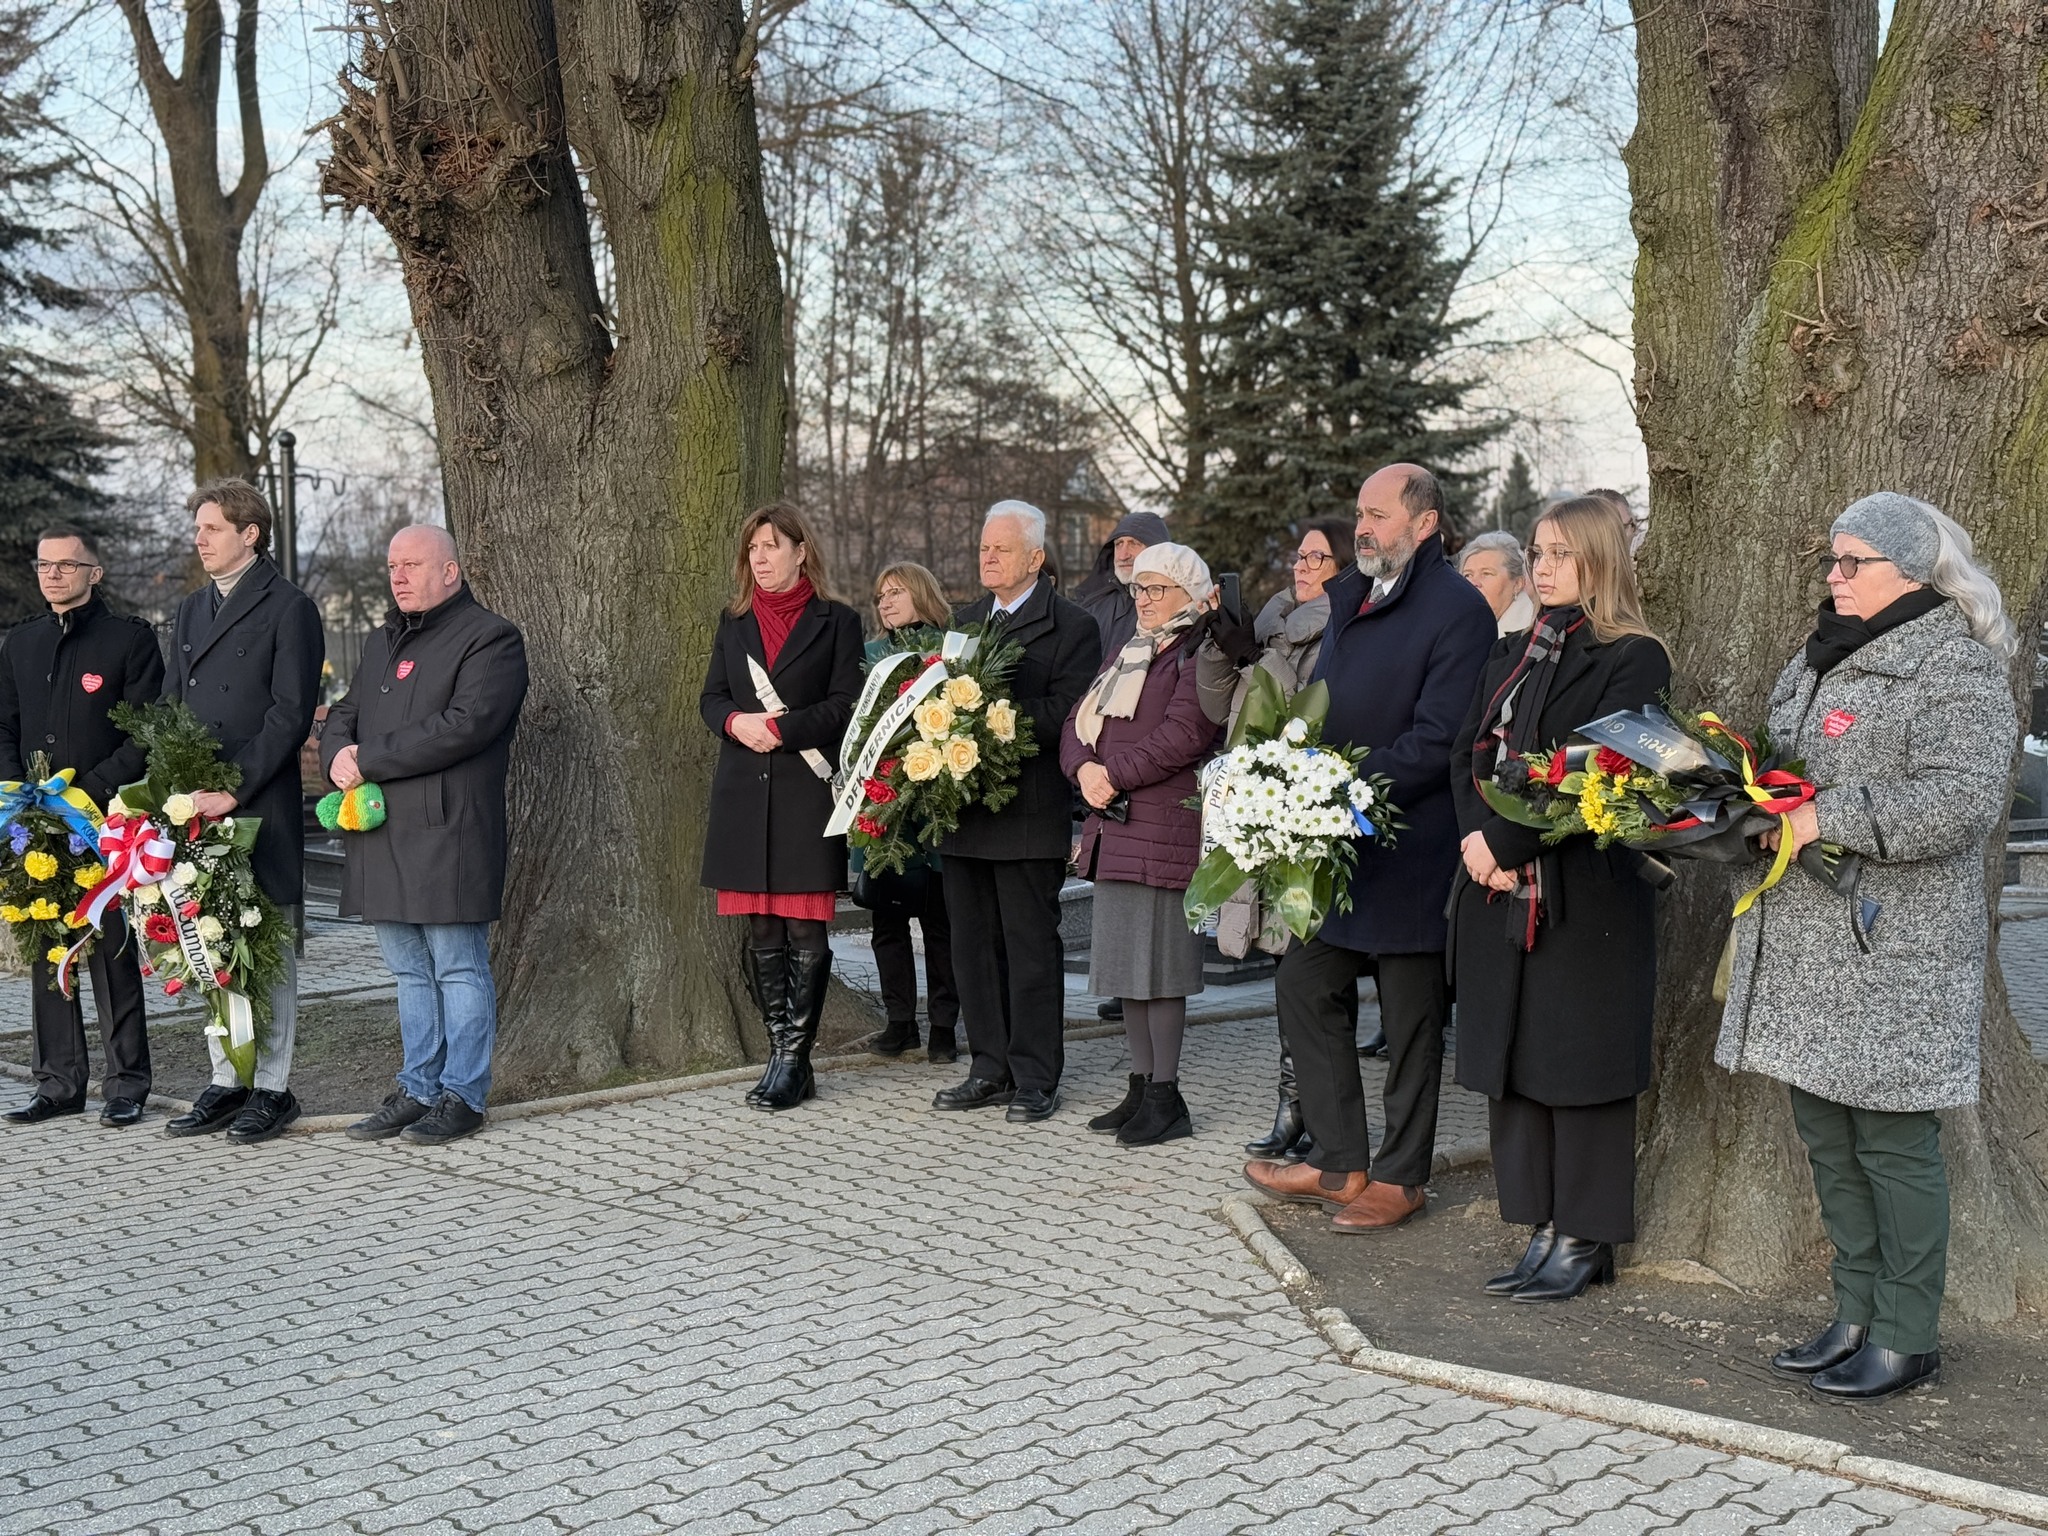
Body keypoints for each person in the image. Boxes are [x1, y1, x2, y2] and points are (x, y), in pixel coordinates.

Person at [1718, 492, 2017, 1402]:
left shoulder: (1955, 666)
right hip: (1808, 939)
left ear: (1913, 573)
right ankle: (1854, 1314)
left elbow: (1961, 800)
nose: (1834, 576)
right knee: (1827, 1135)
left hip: (1895, 951)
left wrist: (1823, 816)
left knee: (1893, 1144)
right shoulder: (1818, 655)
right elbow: (1782, 767)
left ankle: (1906, 1333)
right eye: (1833, 560)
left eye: (1854, 562)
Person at [1242, 464, 1494, 1231]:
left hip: (1415, 846)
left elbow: (1439, 738)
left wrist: (1339, 787)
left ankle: (1401, 1176)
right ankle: (1340, 1162)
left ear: (1425, 523)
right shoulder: (1353, 595)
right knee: (1303, 983)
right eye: (1360, 513)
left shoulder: (1457, 609)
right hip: (1342, 848)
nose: (1363, 527)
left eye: (1378, 515)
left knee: (1412, 1022)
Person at [1450, 498, 1670, 1300]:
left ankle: (1586, 1233)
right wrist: (1479, 845)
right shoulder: (1516, 650)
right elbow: (1469, 753)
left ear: (1599, 560)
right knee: (1517, 1061)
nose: (1541, 568)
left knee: (1579, 1066)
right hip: (1498, 888)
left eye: (1559, 554)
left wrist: (1505, 845)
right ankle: (1540, 1220)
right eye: (1537, 553)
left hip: (1584, 895)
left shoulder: (1633, 657)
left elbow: (1596, 766)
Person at [322, 526, 530, 1146]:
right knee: (409, 972)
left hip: (449, 830)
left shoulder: (491, 637)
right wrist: (337, 755)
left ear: (450, 572)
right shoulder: (382, 638)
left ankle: (463, 1096)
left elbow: (465, 725)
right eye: (393, 566)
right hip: (381, 827)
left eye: (412, 564)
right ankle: (417, 1089)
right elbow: (345, 711)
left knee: (458, 968)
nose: (399, 576)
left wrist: (368, 758)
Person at [160, 480, 324, 1145]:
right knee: (209, 943)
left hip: (258, 802)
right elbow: (172, 704)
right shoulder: (191, 609)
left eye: (212, 528)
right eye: (198, 528)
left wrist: (234, 788)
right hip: (195, 806)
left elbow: (290, 714)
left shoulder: (290, 607)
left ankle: (273, 1088)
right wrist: (167, 786)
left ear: (249, 533)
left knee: (268, 944)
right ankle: (228, 1078)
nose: (199, 540)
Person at [1194, 516, 1358, 1160]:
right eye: (1299, 556)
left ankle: (1313, 1110)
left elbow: (1307, 710)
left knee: (1308, 970)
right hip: (1258, 810)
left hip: (1308, 819)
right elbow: (1219, 709)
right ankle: (1295, 1105)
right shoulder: (1269, 625)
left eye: (1318, 558)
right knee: (1284, 968)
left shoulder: (1344, 628)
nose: (1301, 566)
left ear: (1343, 569)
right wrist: (1220, 645)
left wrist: (1253, 658)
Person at [933, 500, 1099, 1122]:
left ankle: (1035, 1075)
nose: (988, 557)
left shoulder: (1073, 626)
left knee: (1029, 948)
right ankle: (988, 1067)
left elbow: (1070, 712)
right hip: (966, 813)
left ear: (1035, 558)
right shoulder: (963, 622)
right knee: (971, 947)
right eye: (984, 547)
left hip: (1028, 812)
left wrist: (989, 720)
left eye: (1001, 549)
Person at [699, 504, 862, 1112]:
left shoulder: (838, 621)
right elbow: (712, 697)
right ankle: (779, 1055)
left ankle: (796, 1059)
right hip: (744, 792)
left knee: (804, 926)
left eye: (771, 545)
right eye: (753, 548)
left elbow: (845, 703)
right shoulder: (734, 620)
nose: (759, 557)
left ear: (800, 551)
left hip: (805, 793)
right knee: (762, 928)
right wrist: (736, 722)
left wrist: (781, 730)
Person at [0, 527, 164, 1129]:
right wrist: (17, 790)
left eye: (67, 565)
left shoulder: (130, 640)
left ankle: (126, 1083)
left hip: (103, 823)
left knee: (112, 953)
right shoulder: (21, 642)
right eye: (44, 564)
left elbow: (143, 733)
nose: (53, 574)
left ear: (95, 572)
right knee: (48, 949)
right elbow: (3, 725)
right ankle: (59, 1082)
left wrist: (87, 790)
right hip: (34, 822)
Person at [1060, 543, 1219, 1146]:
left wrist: (1110, 775)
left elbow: (1186, 734)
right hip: (1115, 827)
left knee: (1162, 970)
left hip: (1163, 830)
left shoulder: (1198, 651)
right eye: (1139, 589)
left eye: (1157, 589)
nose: (1144, 599)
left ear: (1189, 593)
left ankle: (1167, 1097)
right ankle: (1140, 1084)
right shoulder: (1129, 650)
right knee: (1128, 970)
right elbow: (1077, 722)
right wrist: (1083, 770)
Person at [861, 561, 961, 1063]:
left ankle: (944, 1026)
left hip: (936, 804)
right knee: (887, 922)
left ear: (922, 594)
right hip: (886, 804)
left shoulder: (953, 651)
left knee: (942, 926)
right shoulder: (870, 656)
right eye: (881, 595)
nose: (886, 602)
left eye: (896, 591)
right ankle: (899, 1021)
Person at [1072, 511, 1170, 661]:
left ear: (1156, 549)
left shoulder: (1176, 605)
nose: (1123, 555)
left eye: (1134, 544)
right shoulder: (1092, 605)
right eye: (1119, 544)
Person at [1457, 531, 1537, 637]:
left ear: (1518, 584)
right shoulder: (1458, 625)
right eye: (1468, 575)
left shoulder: (1532, 633)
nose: (1474, 583)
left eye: (1486, 573)